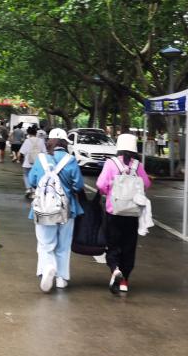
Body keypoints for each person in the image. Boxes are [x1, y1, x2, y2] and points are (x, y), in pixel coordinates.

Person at [26, 128, 85, 291]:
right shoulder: (70, 160)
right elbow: (79, 185)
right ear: (65, 143)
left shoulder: (41, 159)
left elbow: (32, 181)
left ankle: (47, 267)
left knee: (45, 243)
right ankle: (61, 278)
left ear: (49, 142)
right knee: (63, 245)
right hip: (67, 209)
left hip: (44, 208)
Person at [96, 133, 151, 295]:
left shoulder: (111, 164)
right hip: (132, 213)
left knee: (113, 244)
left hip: (113, 212)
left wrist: (109, 190)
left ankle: (115, 269)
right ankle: (124, 281)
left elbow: (101, 185)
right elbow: (146, 184)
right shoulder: (138, 166)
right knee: (129, 246)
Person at [18, 125, 46, 197]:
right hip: (38, 162)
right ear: (36, 133)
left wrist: (19, 159)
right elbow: (45, 152)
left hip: (27, 162)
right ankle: (34, 191)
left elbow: (21, 152)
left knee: (26, 175)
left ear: (28, 133)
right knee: (36, 176)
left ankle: (28, 189)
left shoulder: (27, 141)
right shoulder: (41, 141)